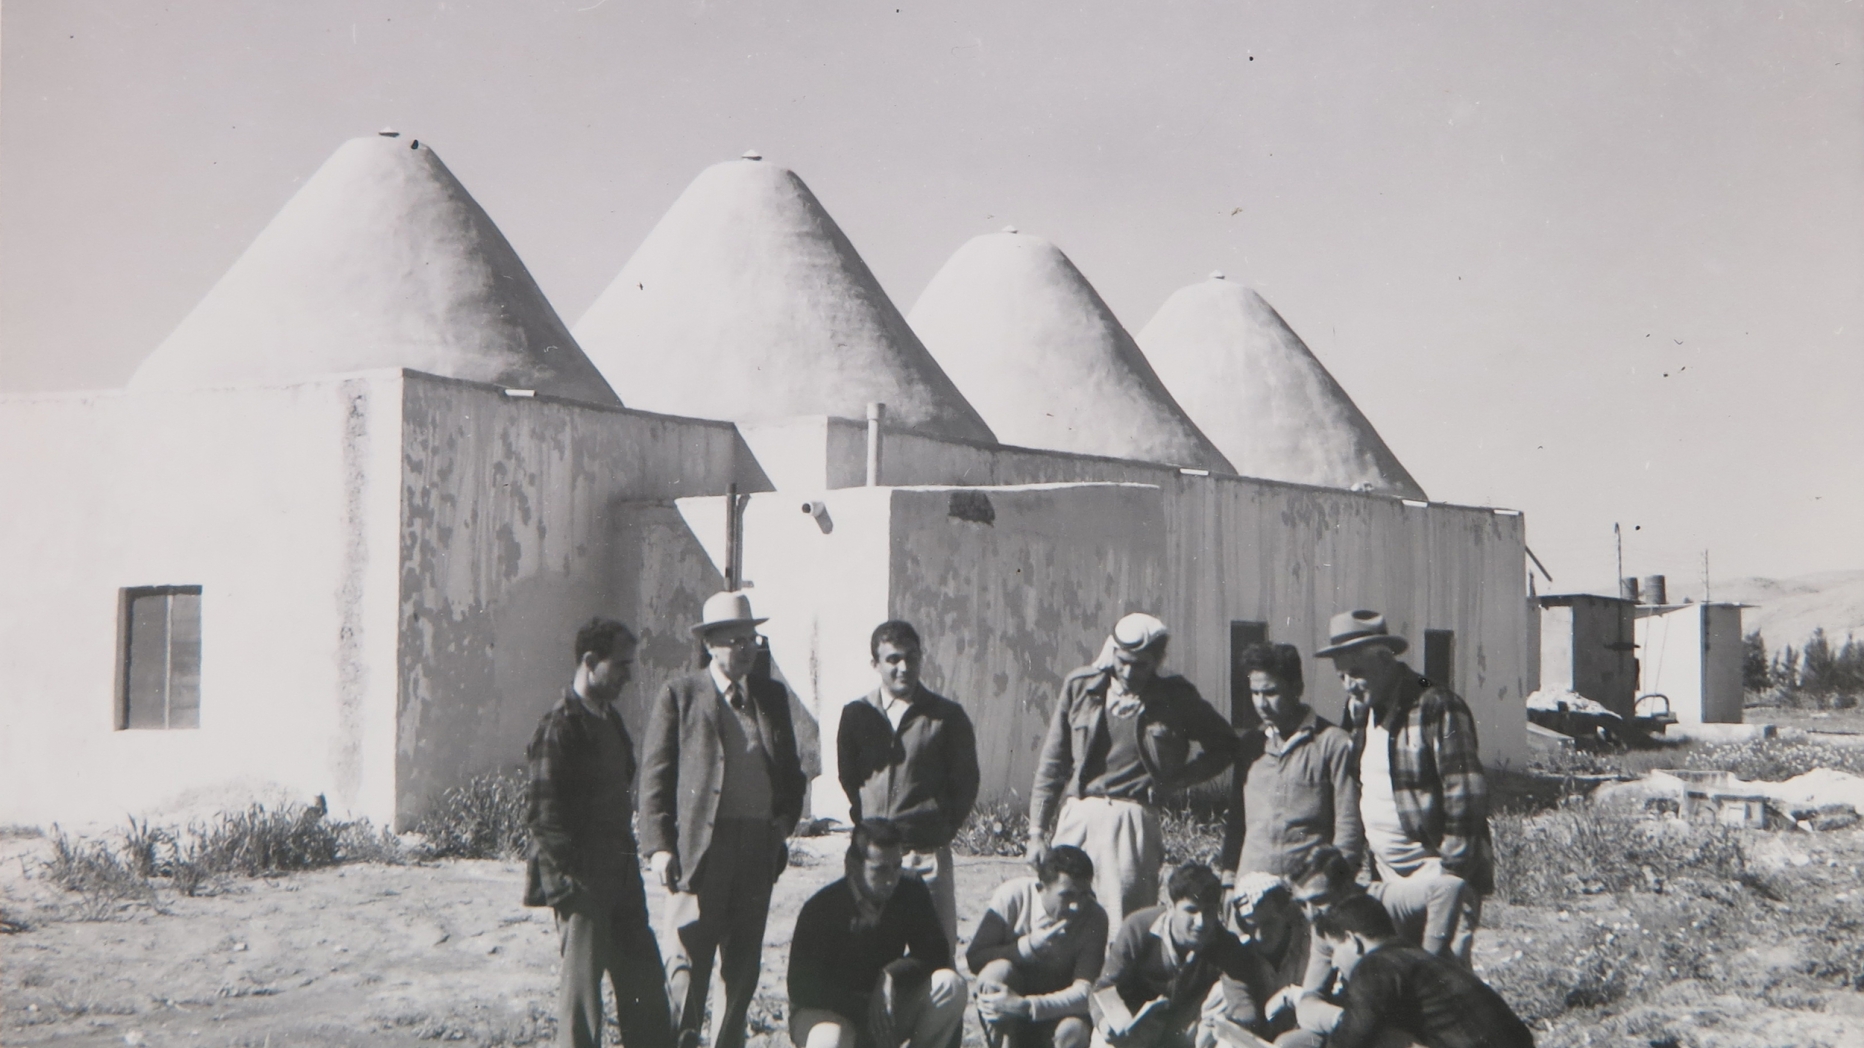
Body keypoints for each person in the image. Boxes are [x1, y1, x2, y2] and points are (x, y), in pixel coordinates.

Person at [641, 591, 809, 1048]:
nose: (748, 647)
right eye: (736, 640)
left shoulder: (771, 697)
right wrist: (658, 845)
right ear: (711, 644)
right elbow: (655, 776)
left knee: (743, 964)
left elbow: (793, 772)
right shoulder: (682, 695)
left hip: (757, 847)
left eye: (752, 637)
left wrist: (781, 826)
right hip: (699, 849)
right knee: (686, 960)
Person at [522, 618, 676, 1048]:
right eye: (621, 665)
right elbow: (543, 816)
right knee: (583, 1008)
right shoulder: (560, 725)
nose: (629, 674)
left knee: (646, 990)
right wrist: (576, 884)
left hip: (622, 880)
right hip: (583, 886)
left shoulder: (610, 721)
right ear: (590, 662)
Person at [1029, 614, 1240, 918]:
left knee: (1126, 917)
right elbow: (1053, 762)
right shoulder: (1081, 687)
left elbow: (1225, 745)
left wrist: (1177, 781)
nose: (1129, 672)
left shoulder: (1176, 697)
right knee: (1060, 912)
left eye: (1140, 664)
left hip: (1133, 822)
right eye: (1123, 661)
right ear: (1112, 653)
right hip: (1080, 815)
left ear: (1157, 660)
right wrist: (1036, 832)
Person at [1317, 611, 1490, 965]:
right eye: (1342, 676)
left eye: (1357, 673)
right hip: (1386, 875)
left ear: (1385, 659)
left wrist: (1452, 878)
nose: (1349, 684)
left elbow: (1466, 795)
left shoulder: (1436, 703)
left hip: (1436, 872)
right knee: (1398, 974)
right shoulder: (1359, 710)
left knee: (1442, 975)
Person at [839, 619, 981, 949]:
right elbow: (850, 777)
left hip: (925, 857)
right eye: (893, 660)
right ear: (875, 664)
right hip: (873, 860)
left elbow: (965, 782)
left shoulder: (947, 716)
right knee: (867, 953)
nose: (904, 668)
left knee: (935, 954)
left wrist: (938, 828)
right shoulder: (856, 715)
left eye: (912, 657)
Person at [788, 818, 969, 1048]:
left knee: (950, 985)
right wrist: (863, 1003)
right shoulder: (822, 907)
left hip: (883, 1006)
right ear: (853, 865)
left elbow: (936, 953)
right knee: (829, 1041)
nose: (892, 879)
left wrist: (891, 974)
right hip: (828, 1012)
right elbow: (801, 988)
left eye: (897, 866)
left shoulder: (910, 889)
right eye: (880, 870)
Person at [1291, 895, 1534, 1048]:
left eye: (1334, 951)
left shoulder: (1373, 965)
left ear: (1352, 941)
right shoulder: (1414, 957)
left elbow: (1352, 1040)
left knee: (1383, 1038)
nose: (1334, 964)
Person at [1219, 643, 1363, 886]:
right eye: (1255, 693)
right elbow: (1236, 821)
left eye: (1271, 693)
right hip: (1251, 889)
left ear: (1297, 688)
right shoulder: (1251, 745)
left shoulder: (1332, 743)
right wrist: (1229, 878)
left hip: (1307, 890)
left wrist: (1336, 884)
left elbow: (1348, 825)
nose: (1261, 704)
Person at [1091, 863, 1276, 1048]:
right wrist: (1105, 1023)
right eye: (1191, 910)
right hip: (1136, 1027)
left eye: (1209, 911)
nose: (1201, 922)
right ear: (1170, 906)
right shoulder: (1138, 927)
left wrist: (1236, 1024)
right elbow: (1103, 988)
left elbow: (1240, 1000)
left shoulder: (1225, 943)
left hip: (1186, 1031)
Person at [1278, 846, 1466, 1007]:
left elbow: (1449, 887)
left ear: (1347, 886)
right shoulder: (1322, 926)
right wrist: (1340, 1019)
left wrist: (1428, 961)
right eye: (1302, 904)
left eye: (1319, 900)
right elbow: (1312, 996)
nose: (1310, 913)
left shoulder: (1384, 899)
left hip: (1432, 1003)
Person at [966, 845, 1110, 1048]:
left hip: (1056, 1014)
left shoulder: (1094, 917)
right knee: (995, 973)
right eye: (1067, 895)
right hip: (1009, 1012)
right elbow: (975, 958)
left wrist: (1027, 1006)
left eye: (1084, 894)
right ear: (1041, 887)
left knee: (1073, 1031)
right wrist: (1026, 948)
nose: (1076, 906)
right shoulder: (1013, 896)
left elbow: (1084, 991)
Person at [1224, 873, 1308, 1042]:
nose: (1260, 936)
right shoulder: (1240, 957)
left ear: (1286, 914)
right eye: (1252, 926)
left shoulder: (1310, 948)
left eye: (1269, 923)